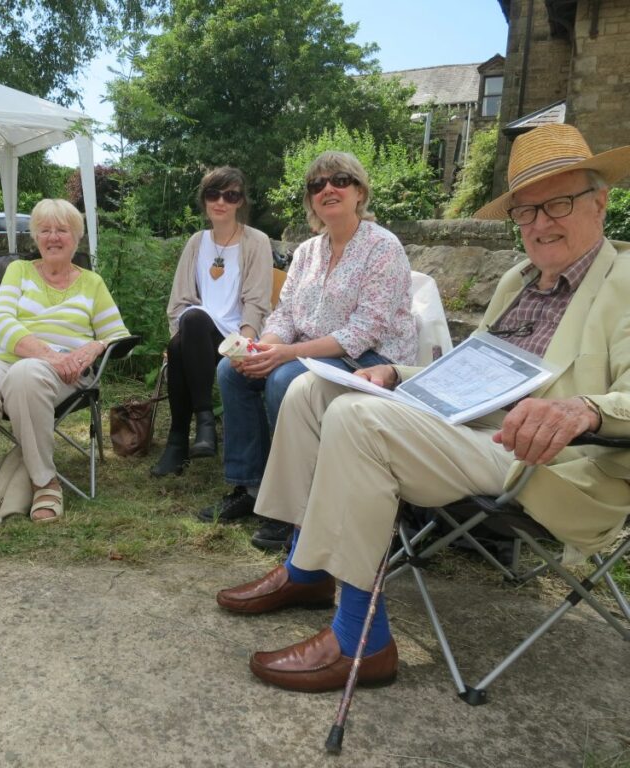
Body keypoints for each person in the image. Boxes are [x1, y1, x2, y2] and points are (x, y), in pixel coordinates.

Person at [215, 123, 630, 694]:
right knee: (314, 392)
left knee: (357, 419)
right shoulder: (518, 280)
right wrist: (397, 372)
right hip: (473, 429)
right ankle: (305, 567)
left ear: (600, 201)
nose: (540, 223)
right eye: (526, 211)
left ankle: (362, 638)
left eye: (557, 203)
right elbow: (473, 369)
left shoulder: (625, 281)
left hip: (554, 459)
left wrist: (584, 409)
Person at [200, 152, 417, 551]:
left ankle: (295, 507)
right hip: (312, 353)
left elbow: (364, 331)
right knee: (232, 371)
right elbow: (286, 314)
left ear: (359, 192)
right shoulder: (307, 252)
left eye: (339, 180)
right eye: (317, 185)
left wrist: (286, 356)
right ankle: (250, 488)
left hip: (371, 361)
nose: (327, 189)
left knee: (285, 379)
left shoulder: (383, 247)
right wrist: (264, 347)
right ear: (311, 200)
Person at [0, 199, 130, 526]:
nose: (53, 237)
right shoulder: (18, 271)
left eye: (62, 230)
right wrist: (49, 355)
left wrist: (95, 347)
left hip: (63, 375)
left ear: (77, 238)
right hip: (10, 359)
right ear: (35, 237)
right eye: (45, 230)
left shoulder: (92, 283)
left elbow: (117, 334)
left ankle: (45, 483)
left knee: (26, 374)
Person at [151, 167, 273, 478]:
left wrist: (244, 345)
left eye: (230, 195)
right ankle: (203, 422)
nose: (221, 201)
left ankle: (180, 440)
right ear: (204, 200)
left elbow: (258, 301)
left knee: (187, 331)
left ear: (240, 201)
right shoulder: (197, 242)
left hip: (235, 335)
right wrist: (176, 340)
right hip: (197, 334)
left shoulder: (256, 241)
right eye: (213, 194)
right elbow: (178, 300)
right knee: (189, 324)